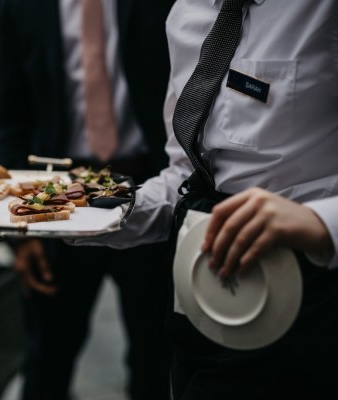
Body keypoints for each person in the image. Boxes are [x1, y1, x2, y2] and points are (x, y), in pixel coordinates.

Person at [76, 1, 338, 399]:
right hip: (198, 297)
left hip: (310, 301)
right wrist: (87, 212)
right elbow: (185, 175)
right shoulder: (186, 11)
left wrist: (320, 222)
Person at [0, 1, 174, 399]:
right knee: (46, 361)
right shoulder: (19, 9)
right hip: (57, 200)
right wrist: (22, 234)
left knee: (155, 360)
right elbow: (10, 117)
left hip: (147, 187)